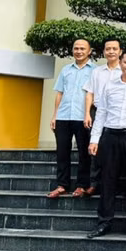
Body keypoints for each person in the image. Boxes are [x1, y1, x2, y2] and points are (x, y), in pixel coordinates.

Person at [87, 50, 126, 238]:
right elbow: (101, 113)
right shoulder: (109, 86)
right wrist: (94, 139)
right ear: (121, 63)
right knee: (108, 180)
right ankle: (104, 222)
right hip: (110, 136)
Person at [48, 39, 95, 199]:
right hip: (63, 116)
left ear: (89, 51)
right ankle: (62, 185)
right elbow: (60, 93)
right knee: (62, 152)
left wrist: (89, 114)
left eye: (82, 48)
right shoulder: (66, 70)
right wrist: (55, 115)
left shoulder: (95, 71)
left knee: (84, 153)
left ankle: (82, 185)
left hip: (83, 117)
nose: (79, 51)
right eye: (76, 48)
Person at [82, 37, 122, 197]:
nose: (111, 52)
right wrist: (87, 113)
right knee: (95, 148)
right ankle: (94, 183)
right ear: (104, 52)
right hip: (97, 112)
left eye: (114, 49)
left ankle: (114, 184)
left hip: (117, 114)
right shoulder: (97, 72)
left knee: (115, 149)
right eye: (108, 49)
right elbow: (89, 93)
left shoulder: (125, 70)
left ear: (120, 51)